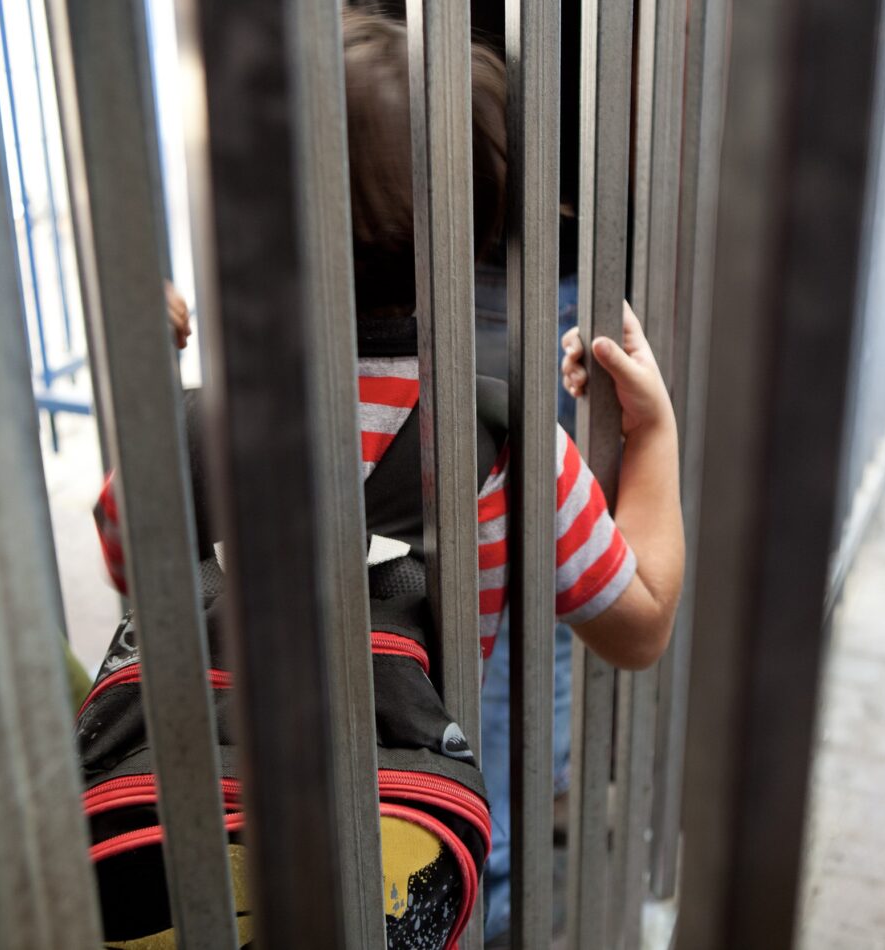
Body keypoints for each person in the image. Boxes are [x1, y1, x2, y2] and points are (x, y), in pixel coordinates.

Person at [93, 5, 685, 939]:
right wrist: (651, 438)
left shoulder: (204, 425)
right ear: (482, 233)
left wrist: (155, 387)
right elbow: (641, 623)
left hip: (191, 829)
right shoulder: (505, 439)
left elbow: (134, 565)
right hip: (401, 823)